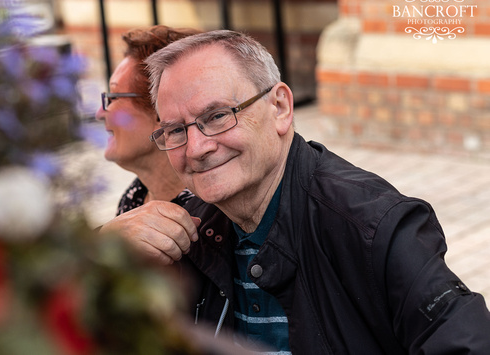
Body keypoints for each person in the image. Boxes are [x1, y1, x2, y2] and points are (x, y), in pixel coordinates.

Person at [109, 30, 490, 354]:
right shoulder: (184, 232)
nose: (196, 148)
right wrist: (102, 255)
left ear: (280, 107)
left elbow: (466, 341)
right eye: (176, 130)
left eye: (217, 116)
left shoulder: (371, 226)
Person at [95, 25, 199, 215]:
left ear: (162, 114)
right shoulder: (133, 201)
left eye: (114, 97)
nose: (100, 113)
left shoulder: (206, 220)